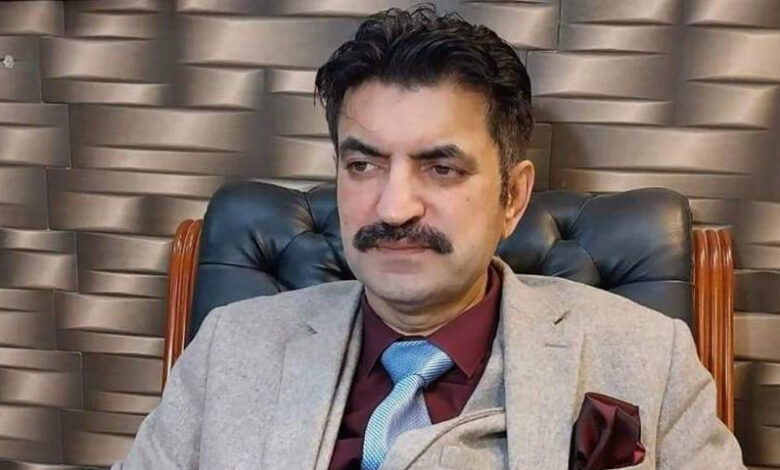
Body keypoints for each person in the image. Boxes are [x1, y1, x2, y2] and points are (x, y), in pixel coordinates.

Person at [113, 5, 746, 470]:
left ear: (512, 197)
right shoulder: (230, 346)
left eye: (441, 168)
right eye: (363, 165)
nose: (393, 207)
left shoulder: (649, 357)